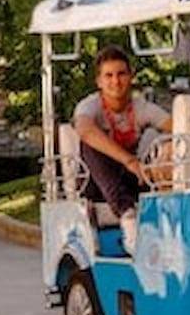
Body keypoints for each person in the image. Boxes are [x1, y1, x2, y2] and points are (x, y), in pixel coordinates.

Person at [72, 45, 170, 252]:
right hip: (96, 183)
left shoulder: (140, 107)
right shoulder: (90, 106)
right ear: (99, 81)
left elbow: (176, 126)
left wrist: (169, 143)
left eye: (121, 74)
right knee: (91, 142)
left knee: (158, 137)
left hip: (131, 179)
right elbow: (84, 129)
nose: (115, 81)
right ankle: (127, 215)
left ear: (130, 77)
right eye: (108, 76)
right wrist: (128, 160)